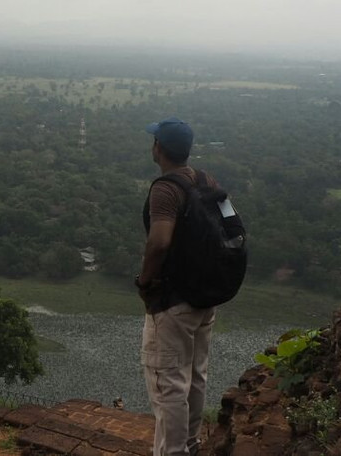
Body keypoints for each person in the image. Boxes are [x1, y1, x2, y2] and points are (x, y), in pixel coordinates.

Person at [135, 117, 218, 456]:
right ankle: (191, 444)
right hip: (205, 295)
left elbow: (159, 244)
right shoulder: (205, 180)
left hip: (172, 301)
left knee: (168, 383)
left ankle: (172, 452)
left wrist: (145, 282)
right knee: (195, 376)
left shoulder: (166, 188)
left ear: (159, 148)